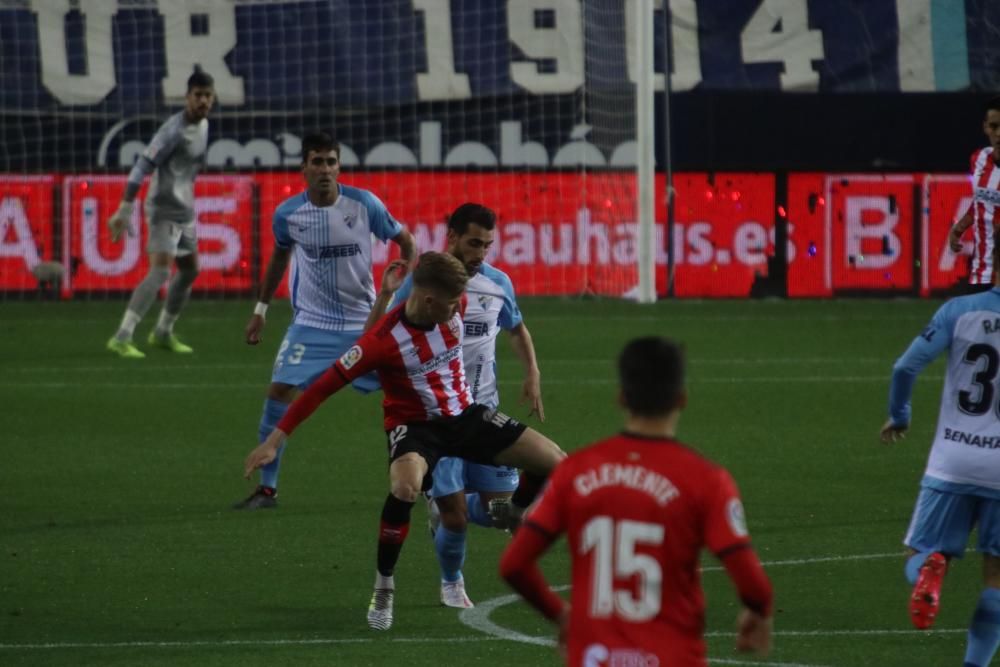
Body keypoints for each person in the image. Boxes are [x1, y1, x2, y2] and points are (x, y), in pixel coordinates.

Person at [243, 251, 566, 631]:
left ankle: (513, 511)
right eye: (450, 304)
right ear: (428, 300)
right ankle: (384, 586)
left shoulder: (453, 304)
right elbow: (319, 389)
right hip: (416, 428)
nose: (458, 309)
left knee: (554, 460)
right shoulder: (381, 343)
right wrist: (275, 441)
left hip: (466, 415)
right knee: (405, 487)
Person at [500, 337, 773, 666]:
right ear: (681, 399)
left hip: (593, 657)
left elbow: (514, 565)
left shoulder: (576, 472)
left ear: (621, 398)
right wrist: (756, 611)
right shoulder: (706, 480)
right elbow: (754, 586)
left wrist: (562, 616)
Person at [370, 202, 543, 609]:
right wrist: (385, 295)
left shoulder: (499, 284)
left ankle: (449, 513)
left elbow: (517, 328)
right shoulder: (425, 284)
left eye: (487, 245)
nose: (480, 253)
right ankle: (451, 580)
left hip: (484, 414)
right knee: (456, 516)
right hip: (435, 418)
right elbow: (378, 336)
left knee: (503, 514)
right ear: (451, 237)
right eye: (473, 243)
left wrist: (532, 372)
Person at [233, 131, 416, 510]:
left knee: (414, 390)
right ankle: (267, 490)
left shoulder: (364, 204)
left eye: (331, 162)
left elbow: (408, 243)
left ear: (339, 166)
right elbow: (279, 259)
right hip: (312, 324)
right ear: (304, 168)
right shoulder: (287, 215)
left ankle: (438, 472)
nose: (325, 169)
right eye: (317, 161)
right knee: (280, 390)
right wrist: (260, 311)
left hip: (364, 323)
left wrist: (397, 297)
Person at [880, 231, 1000, 667]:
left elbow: (905, 366)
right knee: (996, 578)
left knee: (921, 553)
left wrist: (901, 414)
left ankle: (931, 568)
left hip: (952, 461)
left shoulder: (960, 311)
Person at [105, 68, 216, 359]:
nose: (203, 101)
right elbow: (142, 166)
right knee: (161, 271)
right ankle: (122, 335)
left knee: (191, 269)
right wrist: (124, 208)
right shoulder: (172, 131)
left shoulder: (205, 126)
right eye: (198, 96)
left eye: (208, 96)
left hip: (184, 211)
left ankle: (163, 332)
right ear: (187, 97)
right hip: (163, 210)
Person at [947, 96, 1000, 294]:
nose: (999, 134)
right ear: (985, 127)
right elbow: (981, 201)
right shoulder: (978, 159)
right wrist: (959, 228)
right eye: (994, 127)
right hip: (981, 272)